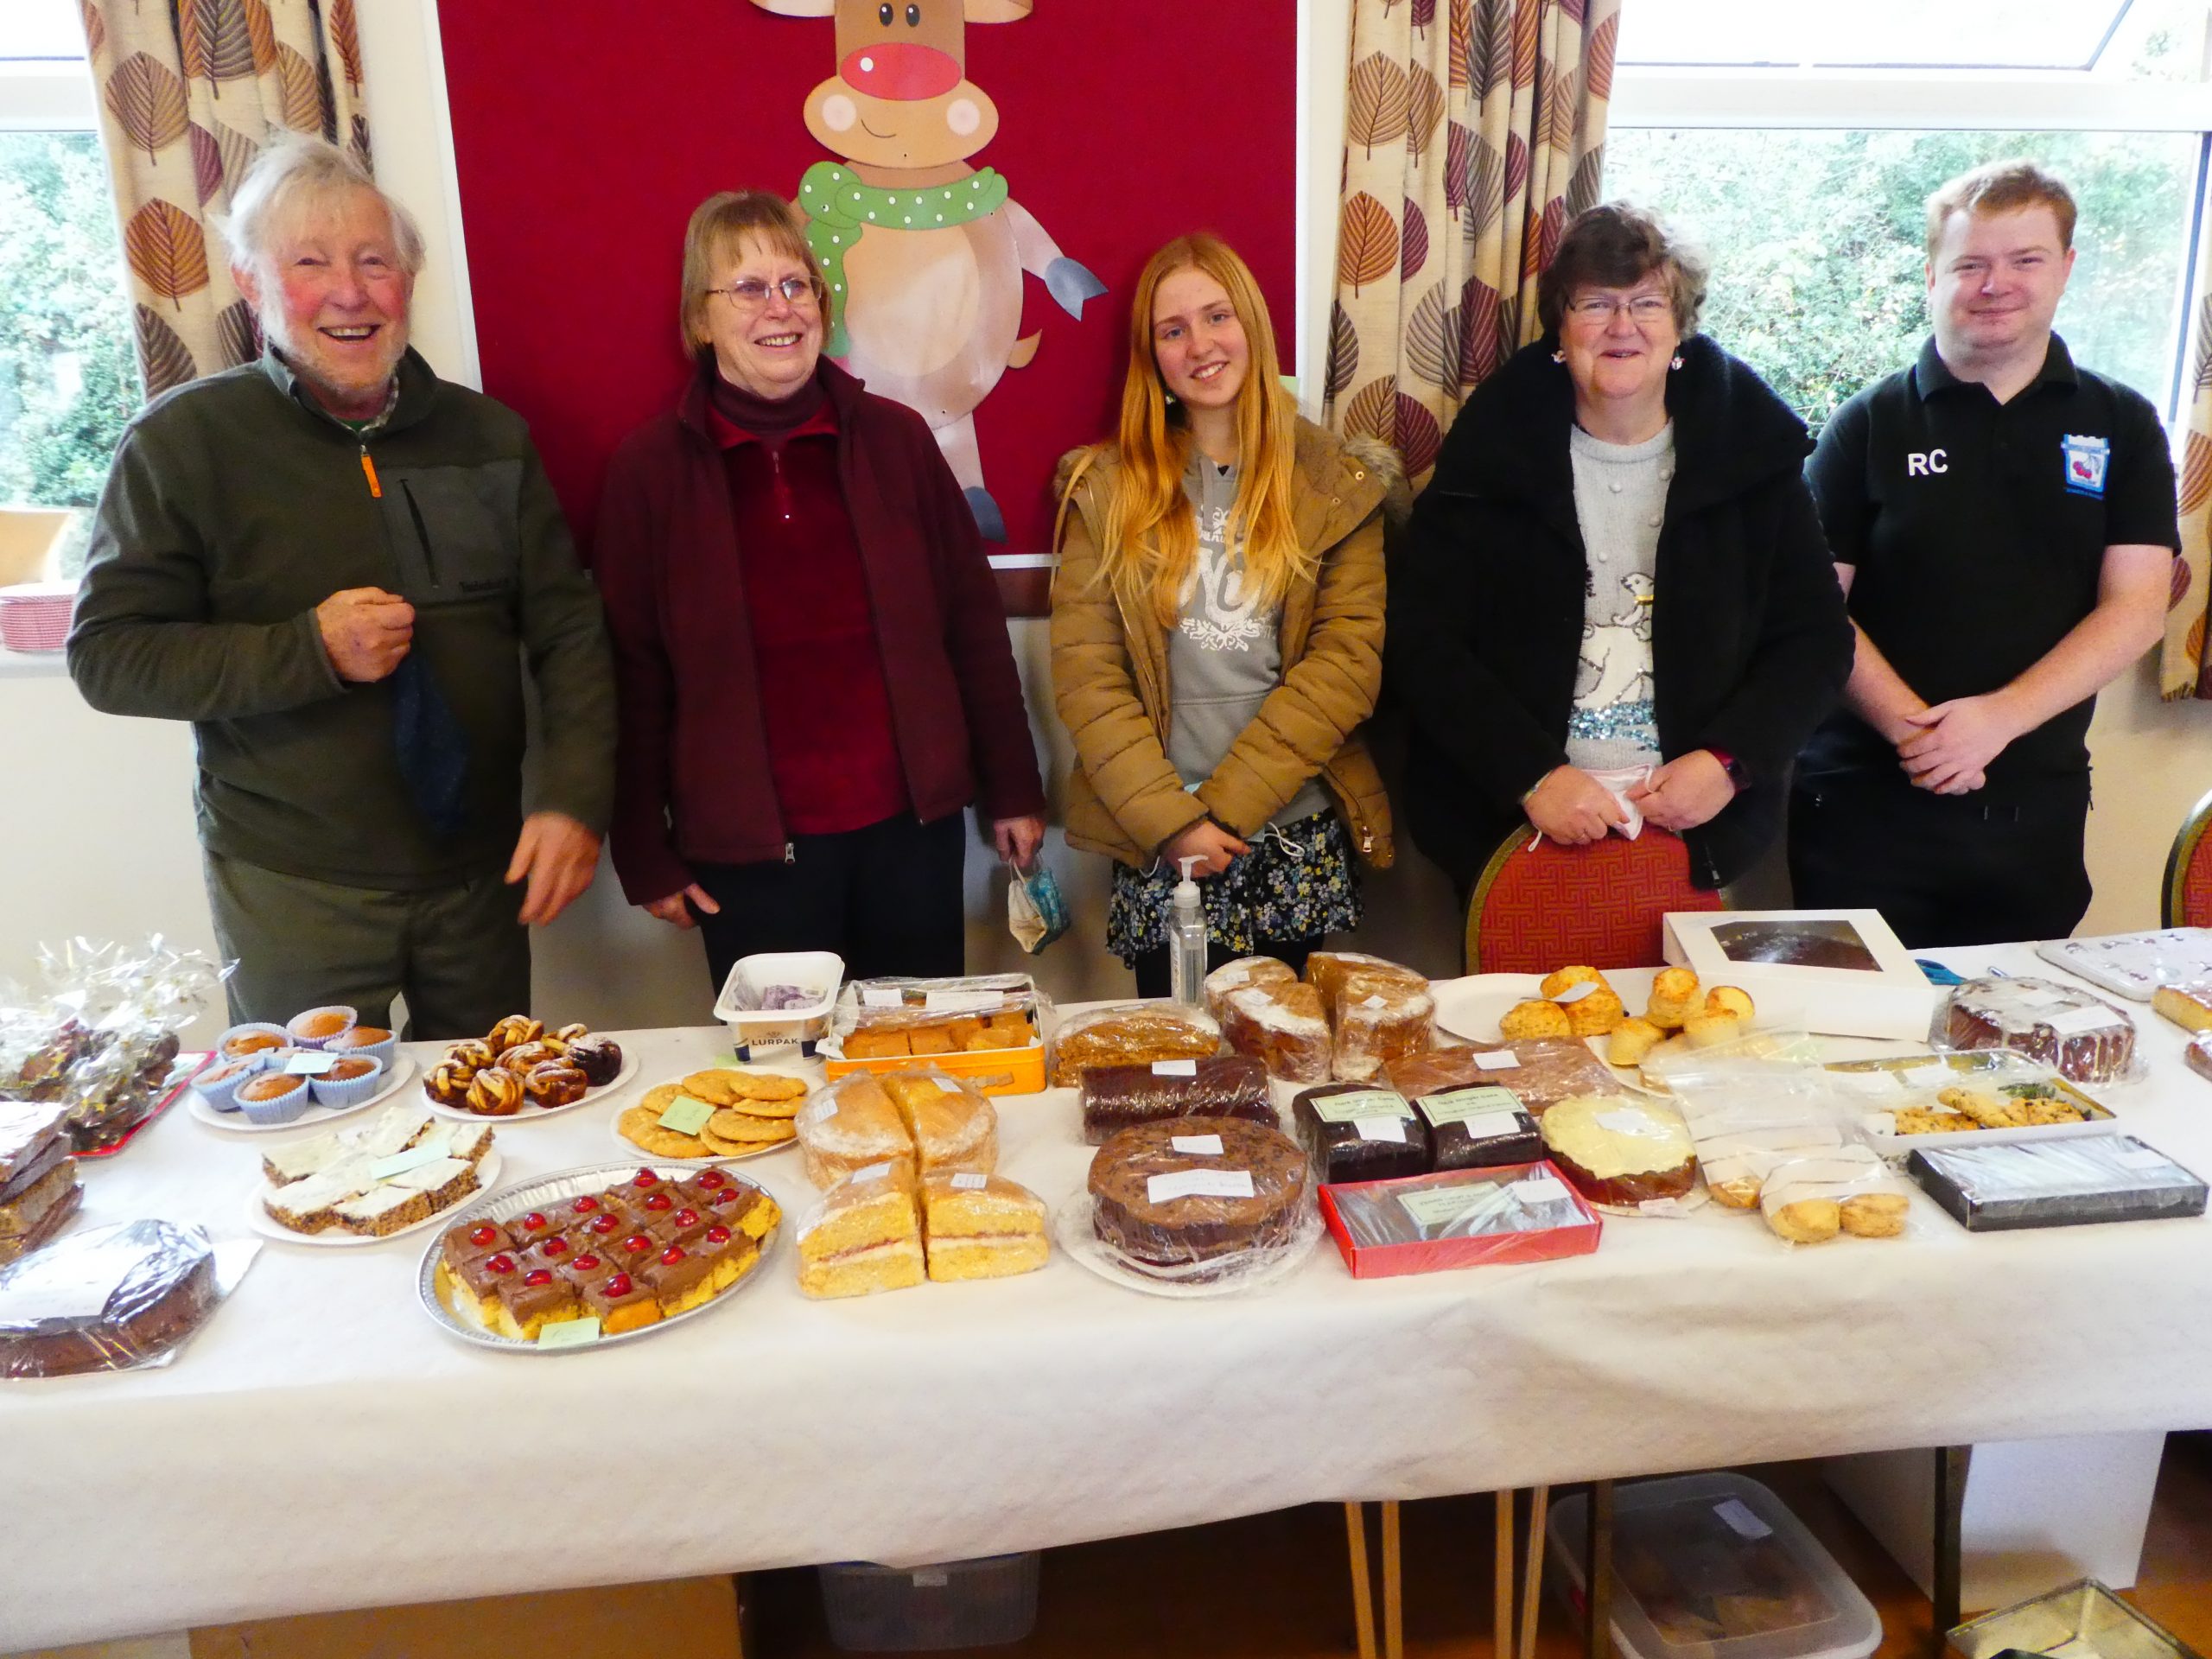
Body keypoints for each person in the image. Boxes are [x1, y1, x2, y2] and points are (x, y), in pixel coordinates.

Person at [67, 139, 615, 1038]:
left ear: (408, 280)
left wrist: (572, 801)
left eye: (374, 263)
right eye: (310, 264)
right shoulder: (183, 443)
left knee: (490, 1124)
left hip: (480, 879)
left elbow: (569, 634)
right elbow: (110, 657)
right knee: (319, 1147)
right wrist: (306, 650)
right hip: (292, 884)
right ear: (253, 285)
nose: (350, 293)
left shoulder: (489, 437)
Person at [594, 190, 1046, 995]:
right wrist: (642, 847)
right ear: (701, 321)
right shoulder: (649, 472)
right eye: (749, 288)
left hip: (911, 834)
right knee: (784, 1083)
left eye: (797, 285)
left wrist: (1013, 786)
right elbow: (632, 672)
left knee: (917, 1071)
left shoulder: (897, 441)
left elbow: (973, 630)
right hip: (749, 854)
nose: (782, 308)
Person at [1389, 203, 1853, 906]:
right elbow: (1423, 642)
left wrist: (1728, 765)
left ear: (1679, 329)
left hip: (1693, 823)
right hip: (1518, 821)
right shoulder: (1489, 455)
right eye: (1596, 304)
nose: (1622, 326)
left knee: (1686, 1018)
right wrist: (1534, 776)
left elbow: (1816, 643)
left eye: (1646, 303)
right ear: (1561, 327)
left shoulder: (1752, 455)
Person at [1789, 162, 2178, 948]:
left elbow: (2136, 609)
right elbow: (1810, 607)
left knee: (2014, 1052)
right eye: (1971, 264)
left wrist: (1996, 721)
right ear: (1934, 275)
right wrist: (1921, 737)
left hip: (2032, 813)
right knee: (1851, 1053)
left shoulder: (2123, 424)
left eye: (2024, 260)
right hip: (1862, 808)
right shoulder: (1865, 424)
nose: (1995, 284)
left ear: (2065, 269)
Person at [1051, 233, 1395, 996]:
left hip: (1287, 826)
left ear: (1253, 327)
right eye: (1173, 331)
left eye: (1217, 317)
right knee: (1175, 1072)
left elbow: (1345, 666)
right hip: (1157, 833)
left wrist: (1227, 815)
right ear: (1154, 358)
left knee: (1281, 1066)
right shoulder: (1106, 491)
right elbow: (1086, 676)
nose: (1200, 345)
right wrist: (1175, 824)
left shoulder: (1336, 484)